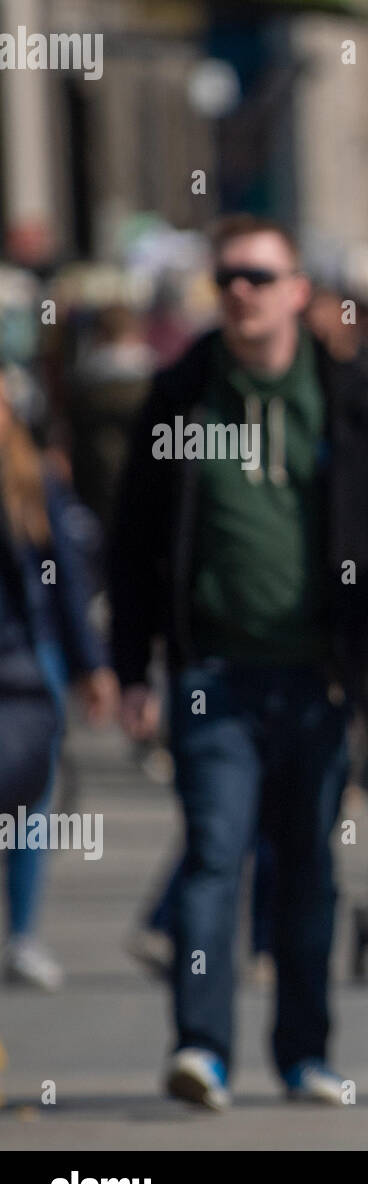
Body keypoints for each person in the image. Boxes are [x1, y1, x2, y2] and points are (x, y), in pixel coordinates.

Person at [109, 214, 368, 1111]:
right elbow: (132, 546)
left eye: (259, 276)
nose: (241, 292)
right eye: (228, 279)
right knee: (214, 852)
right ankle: (201, 1047)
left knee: (307, 867)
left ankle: (303, 1054)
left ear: (296, 292)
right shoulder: (180, 394)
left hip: (320, 677)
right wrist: (132, 670)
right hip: (211, 675)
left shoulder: (344, 396)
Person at [0, 376, 117, 989]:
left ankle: (24, 934)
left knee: (29, 802)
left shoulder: (34, 480)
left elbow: (66, 582)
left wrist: (89, 665)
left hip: (28, 660)